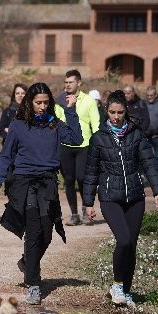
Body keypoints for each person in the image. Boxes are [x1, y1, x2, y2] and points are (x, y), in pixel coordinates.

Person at [0, 83, 82, 305]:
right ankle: (33, 284)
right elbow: (6, 156)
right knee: (33, 231)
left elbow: (77, 139)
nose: (42, 106)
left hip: (48, 182)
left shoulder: (55, 125)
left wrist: (70, 111)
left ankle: (26, 262)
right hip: (24, 182)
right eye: (38, 102)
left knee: (47, 234)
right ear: (30, 103)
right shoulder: (18, 126)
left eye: (46, 103)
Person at [83, 90, 158, 307]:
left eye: (120, 112)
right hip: (110, 198)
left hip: (135, 196)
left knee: (132, 245)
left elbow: (149, 164)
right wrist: (88, 202)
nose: (116, 117)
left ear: (126, 111)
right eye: (112, 112)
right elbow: (91, 172)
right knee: (123, 240)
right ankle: (117, 284)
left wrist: (157, 190)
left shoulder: (136, 135)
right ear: (106, 111)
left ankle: (126, 290)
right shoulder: (98, 138)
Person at [54, 70, 100, 226]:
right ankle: (74, 214)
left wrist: (98, 145)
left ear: (79, 83)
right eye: (66, 82)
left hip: (85, 145)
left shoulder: (89, 101)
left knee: (82, 178)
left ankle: (86, 210)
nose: (67, 85)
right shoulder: (59, 101)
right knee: (69, 180)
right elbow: (57, 123)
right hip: (65, 146)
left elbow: (96, 125)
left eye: (70, 82)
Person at [144, 85, 158, 159]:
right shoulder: (143, 103)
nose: (149, 97)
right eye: (148, 95)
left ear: (155, 95)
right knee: (146, 157)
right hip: (145, 136)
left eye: (151, 95)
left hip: (157, 136)